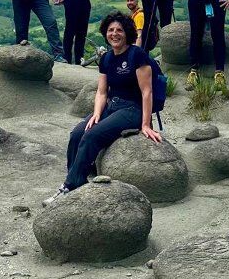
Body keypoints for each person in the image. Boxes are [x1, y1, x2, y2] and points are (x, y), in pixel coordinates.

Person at [43, 11, 163, 205]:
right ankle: (77, 179)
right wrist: (97, 114)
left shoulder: (136, 55)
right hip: (111, 107)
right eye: (110, 30)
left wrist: (146, 125)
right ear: (105, 33)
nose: (114, 34)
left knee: (92, 136)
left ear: (127, 33)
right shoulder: (107, 58)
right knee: (77, 133)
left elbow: (146, 92)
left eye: (119, 30)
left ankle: (69, 187)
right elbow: (101, 91)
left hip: (132, 109)